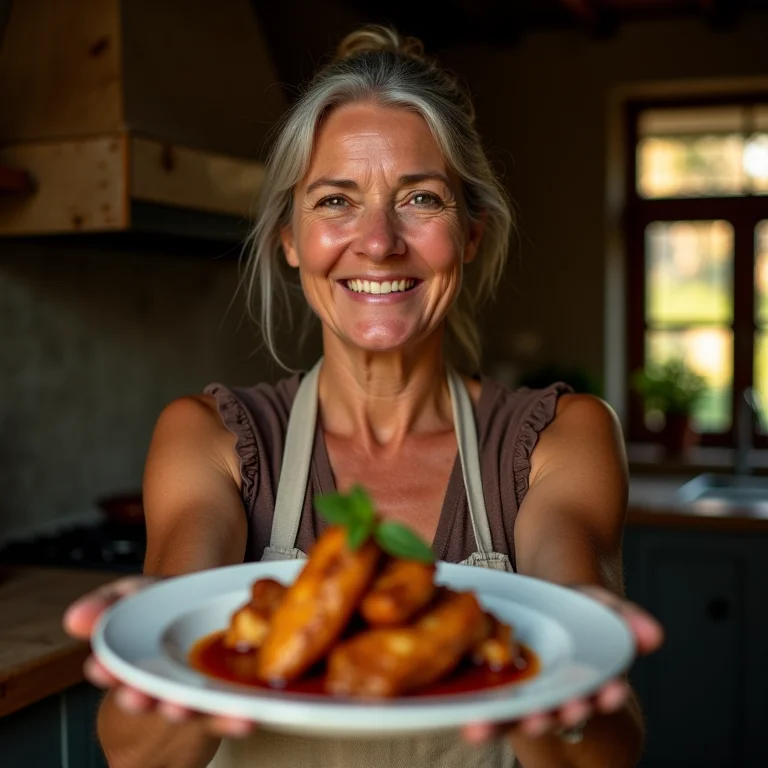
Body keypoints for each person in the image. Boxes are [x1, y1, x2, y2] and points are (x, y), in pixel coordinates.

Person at [64, 24, 662, 768]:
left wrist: (554, 681)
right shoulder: (209, 437)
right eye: (335, 201)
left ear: (470, 233)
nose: (378, 242)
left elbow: (603, 751)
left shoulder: (557, 440)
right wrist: (152, 661)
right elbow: (138, 757)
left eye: (421, 198)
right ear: (289, 236)